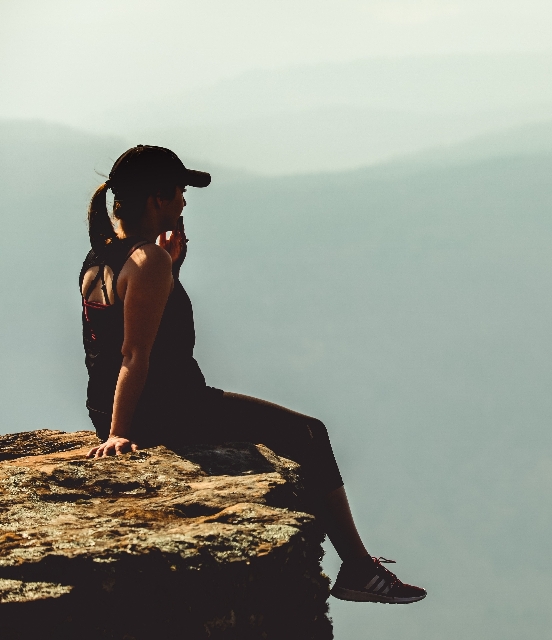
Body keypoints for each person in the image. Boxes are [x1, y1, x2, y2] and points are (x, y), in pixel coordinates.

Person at [80, 145, 425, 605]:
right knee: (309, 433)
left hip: (114, 406)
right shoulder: (147, 262)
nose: (184, 203)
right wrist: (120, 434)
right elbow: (133, 355)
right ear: (156, 200)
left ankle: (358, 567)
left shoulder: (101, 258)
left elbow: (114, 342)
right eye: (179, 193)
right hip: (168, 409)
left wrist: (173, 270)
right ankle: (359, 569)